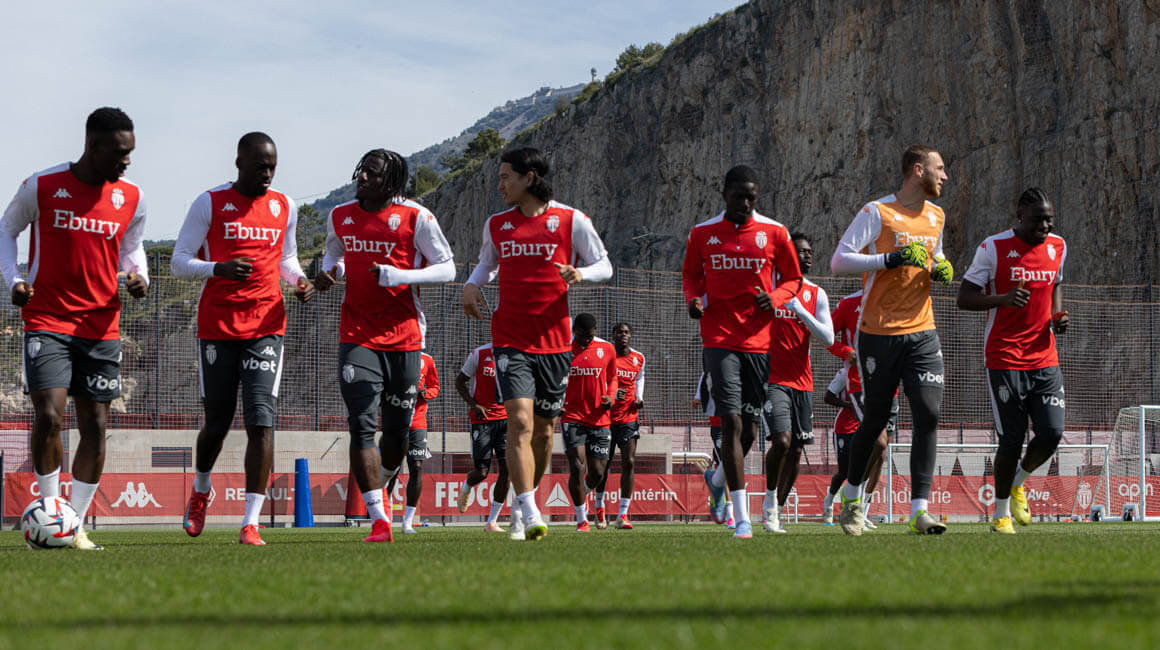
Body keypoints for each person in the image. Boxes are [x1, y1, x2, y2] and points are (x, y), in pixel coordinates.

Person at [0, 107, 149, 550]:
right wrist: (14, 281)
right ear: (93, 146)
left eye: (130, 153)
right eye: (119, 153)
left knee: (96, 425)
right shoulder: (42, 185)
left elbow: (134, 249)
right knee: (49, 415)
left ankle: (74, 526)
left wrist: (139, 275)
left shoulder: (133, 197)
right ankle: (49, 512)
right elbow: (6, 231)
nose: (126, 161)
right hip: (47, 319)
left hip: (102, 326)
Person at [462, 147, 611, 541]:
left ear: (528, 178)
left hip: (555, 344)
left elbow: (604, 265)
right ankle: (530, 511)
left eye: (505, 177)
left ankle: (519, 503)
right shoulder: (497, 224)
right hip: (510, 339)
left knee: (544, 433)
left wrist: (580, 273)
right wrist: (472, 284)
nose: (500, 184)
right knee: (521, 422)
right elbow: (487, 264)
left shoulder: (571, 220)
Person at [173, 132, 314, 546]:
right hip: (217, 327)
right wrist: (217, 268)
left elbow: (287, 259)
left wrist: (299, 280)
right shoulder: (210, 203)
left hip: (266, 326)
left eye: (272, 167)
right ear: (238, 163)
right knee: (217, 423)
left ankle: (250, 522)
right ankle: (201, 488)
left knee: (261, 420)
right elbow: (180, 262)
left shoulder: (284, 206)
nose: (267, 174)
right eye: (259, 167)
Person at [314, 149, 455, 543]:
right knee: (361, 423)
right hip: (357, 335)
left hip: (406, 337)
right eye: (361, 170)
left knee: (395, 437)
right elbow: (334, 253)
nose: (362, 178)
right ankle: (379, 518)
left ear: (391, 182)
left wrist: (401, 276)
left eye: (372, 174)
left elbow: (447, 267)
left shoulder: (416, 217)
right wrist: (331, 271)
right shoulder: (340, 215)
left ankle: (386, 478)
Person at [830, 144, 953, 536]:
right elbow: (839, 260)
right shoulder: (877, 212)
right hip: (878, 332)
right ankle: (852, 499)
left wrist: (941, 267)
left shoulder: (936, 215)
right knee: (875, 420)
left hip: (922, 330)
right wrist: (889, 259)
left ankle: (920, 511)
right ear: (918, 170)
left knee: (928, 414)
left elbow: (934, 255)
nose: (944, 176)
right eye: (939, 168)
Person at [682, 165, 802, 539]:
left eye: (752, 197)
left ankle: (717, 480)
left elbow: (793, 279)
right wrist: (693, 301)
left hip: (759, 342)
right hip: (718, 339)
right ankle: (743, 518)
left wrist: (776, 298)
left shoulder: (775, 232)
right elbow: (690, 276)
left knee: (750, 431)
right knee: (731, 423)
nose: (745, 203)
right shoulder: (702, 233)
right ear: (724, 194)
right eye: (739, 197)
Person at [957, 188, 1068, 534]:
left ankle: (1019, 482)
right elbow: (964, 297)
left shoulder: (1058, 246)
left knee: (1052, 433)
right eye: (1038, 219)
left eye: (1049, 219)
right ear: (1020, 215)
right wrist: (1002, 299)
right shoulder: (993, 248)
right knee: (1012, 438)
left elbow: (1056, 283)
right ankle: (1001, 514)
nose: (1045, 226)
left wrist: (1057, 314)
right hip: (1005, 357)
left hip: (1045, 356)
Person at [762, 233, 834, 533]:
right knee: (782, 441)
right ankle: (768, 503)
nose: (808, 256)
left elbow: (828, 338)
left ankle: (777, 511)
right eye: (801, 251)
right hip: (771, 380)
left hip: (802, 383)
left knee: (795, 450)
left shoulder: (817, 294)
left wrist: (801, 311)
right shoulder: (769, 287)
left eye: (810, 252)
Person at [821, 290, 899, 528]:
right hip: (860, 387)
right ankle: (848, 498)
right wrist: (846, 352)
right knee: (876, 445)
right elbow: (825, 335)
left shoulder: (894, 298)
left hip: (890, 387)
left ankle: (861, 509)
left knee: (880, 455)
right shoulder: (848, 304)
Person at [560, 313, 618, 532]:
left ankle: (583, 491)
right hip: (572, 417)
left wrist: (610, 398)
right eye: (582, 335)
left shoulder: (607, 349)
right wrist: (557, 402)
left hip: (600, 418)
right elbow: (553, 378)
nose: (587, 339)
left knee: (598, 473)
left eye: (590, 335)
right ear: (574, 331)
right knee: (577, 466)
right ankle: (581, 519)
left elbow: (613, 378)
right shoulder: (563, 350)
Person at [454, 343, 512, 534]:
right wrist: (473, 405)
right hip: (482, 421)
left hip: (506, 420)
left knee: (507, 470)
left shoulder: (516, 355)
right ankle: (467, 485)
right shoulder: (479, 354)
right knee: (482, 472)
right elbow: (459, 382)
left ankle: (491, 522)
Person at [593, 322, 645, 529]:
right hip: (605, 419)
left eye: (626, 332)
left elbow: (640, 378)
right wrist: (610, 393)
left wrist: (639, 397)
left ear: (630, 336)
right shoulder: (606, 355)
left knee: (629, 462)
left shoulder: (639, 358)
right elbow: (597, 379)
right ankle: (599, 507)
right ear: (613, 335)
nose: (623, 335)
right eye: (619, 332)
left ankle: (623, 514)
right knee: (602, 467)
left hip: (628, 418)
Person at [385, 351, 438, 534]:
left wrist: (426, 393)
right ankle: (386, 517)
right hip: (396, 422)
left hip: (418, 423)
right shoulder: (392, 356)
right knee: (392, 469)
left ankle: (407, 522)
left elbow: (435, 387)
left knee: (416, 466)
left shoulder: (427, 359)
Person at [693, 372, 735, 528]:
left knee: (733, 466)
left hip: (737, 423)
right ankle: (731, 515)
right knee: (729, 466)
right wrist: (698, 397)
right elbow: (705, 375)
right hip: (718, 426)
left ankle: (713, 480)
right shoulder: (713, 367)